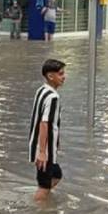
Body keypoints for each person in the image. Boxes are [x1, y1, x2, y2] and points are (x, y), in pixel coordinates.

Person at [30, 58, 66, 201]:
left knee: (56, 175)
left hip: (41, 145)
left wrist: (57, 141)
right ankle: (38, 207)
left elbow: (50, 123)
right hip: (44, 149)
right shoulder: (53, 97)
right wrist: (42, 152)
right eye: (60, 74)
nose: (64, 77)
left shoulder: (42, 90)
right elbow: (44, 123)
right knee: (44, 186)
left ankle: (42, 201)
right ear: (50, 76)